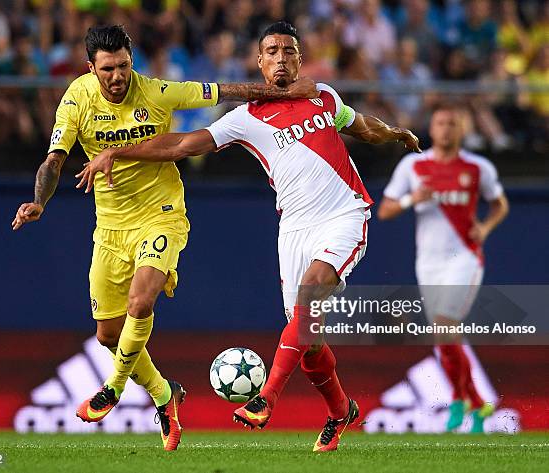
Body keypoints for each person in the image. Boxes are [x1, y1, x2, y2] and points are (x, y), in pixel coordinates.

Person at [76, 21, 420, 452]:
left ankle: (265, 399)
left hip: (343, 214)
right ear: (259, 62)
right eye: (271, 51)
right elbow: (181, 144)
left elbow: (362, 125)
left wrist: (394, 133)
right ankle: (339, 410)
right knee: (307, 338)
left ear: (299, 58)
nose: (280, 58)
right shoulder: (244, 118)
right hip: (293, 228)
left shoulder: (324, 96)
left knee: (310, 297)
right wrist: (117, 151)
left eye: (288, 51)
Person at [11, 24, 317, 451]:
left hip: (162, 216)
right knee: (107, 335)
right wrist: (39, 201)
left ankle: (112, 387)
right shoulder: (77, 99)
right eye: (107, 70)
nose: (117, 77)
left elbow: (226, 90)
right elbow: (54, 160)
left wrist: (287, 92)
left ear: (131, 61)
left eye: (122, 66)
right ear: (91, 69)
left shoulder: (157, 91)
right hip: (111, 229)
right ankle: (164, 395)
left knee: (141, 300)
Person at [377, 103, 509, 433]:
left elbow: (500, 203)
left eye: (453, 123)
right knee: (443, 334)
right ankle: (473, 402)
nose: (446, 129)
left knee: (445, 324)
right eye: (440, 123)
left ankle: (466, 400)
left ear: (461, 129)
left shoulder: (478, 167)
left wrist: (486, 227)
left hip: (465, 257)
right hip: (429, 262)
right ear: (431, 129)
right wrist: (412, 200)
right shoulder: (413, 165)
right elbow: (386, 210)